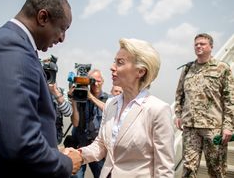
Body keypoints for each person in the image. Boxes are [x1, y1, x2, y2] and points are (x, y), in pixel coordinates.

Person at [0, 0, 82, 178]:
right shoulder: (11, 49)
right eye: (63, 29)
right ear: (43, 17)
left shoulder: (13, 45)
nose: (62, 38)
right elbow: (20, 143)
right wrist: (65, 163)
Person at [66, 38, 175, 178]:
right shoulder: (111, 104)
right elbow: (101, 145)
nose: (112, 67)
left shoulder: (158, 110)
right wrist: (79, 155)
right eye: (114, 61)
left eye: (120, 62)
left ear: (140, 71)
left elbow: (164, 170)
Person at [174, 33, 234, 177]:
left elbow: (230, 99)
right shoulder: (188, 69)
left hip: (213, 128)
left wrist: (228, 126)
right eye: (196, 44)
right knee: (188, 168)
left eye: (202, 44)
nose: (198, 46)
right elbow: (179, 94)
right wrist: (178, 114)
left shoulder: (222, 68)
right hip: (190, 127)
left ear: (211, 47)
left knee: (216, 169)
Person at [69, 69, 109, 178]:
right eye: (93, 81)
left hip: (98, 149)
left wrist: (91, 97)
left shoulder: (108, 100)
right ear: (88, 82)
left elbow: (109, 110)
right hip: (80, 145)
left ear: (103, 81)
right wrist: (73, 100)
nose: (96, 84)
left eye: (99, 81)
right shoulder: (80, 97)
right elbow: (75, 123)